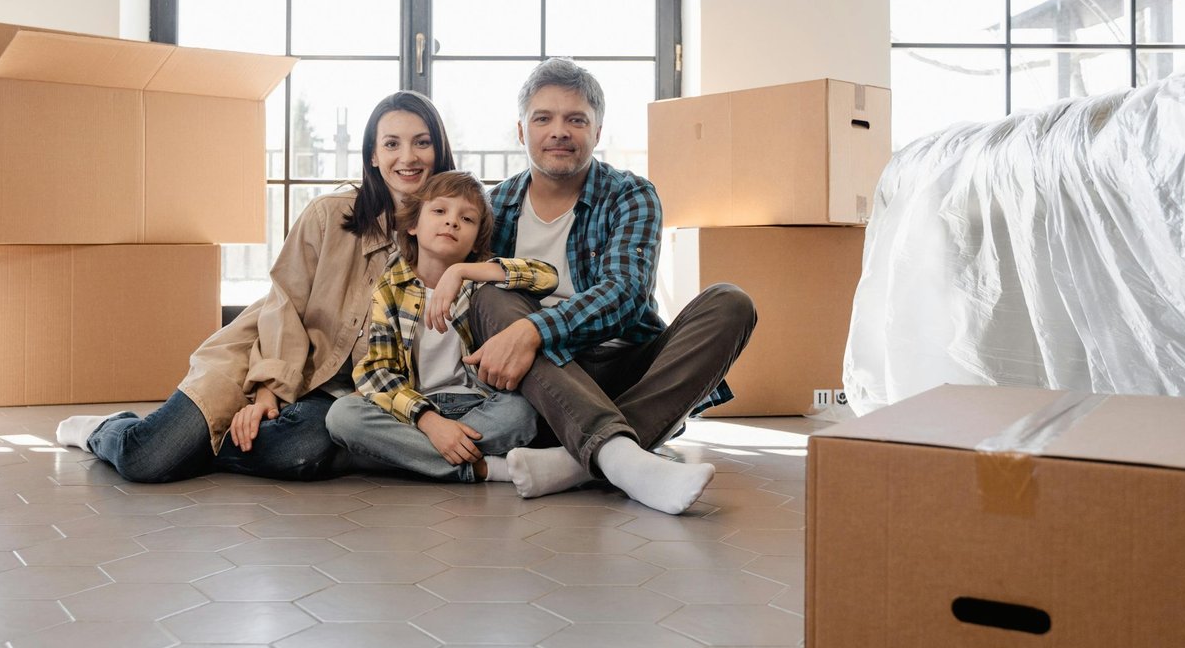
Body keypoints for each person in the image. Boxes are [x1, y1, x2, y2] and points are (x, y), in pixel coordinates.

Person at [54, 91, 457, 483]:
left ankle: (201, 447)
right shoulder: (328, 215)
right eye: (392, 143)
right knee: (146, 459)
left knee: (299, 452)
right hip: (260, 356)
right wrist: (267, 393)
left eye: (421, 143)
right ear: (373, 155)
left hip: (335, 396)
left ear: (438, 150)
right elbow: (285, 305)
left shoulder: (454, 230)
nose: (408, 157)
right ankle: (106, 429)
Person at [464, 58, 758, 514]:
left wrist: (534, 330)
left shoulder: (630, 194)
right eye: (543, 118)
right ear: (522, 132)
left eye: (576, 119)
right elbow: (478, 311)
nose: (559, 131)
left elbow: (625, 294)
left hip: (624, 364)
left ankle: (578, 460)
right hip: (543, 380)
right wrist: (524, 334)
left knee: (731, 303)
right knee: (489, 293)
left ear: (597, 133)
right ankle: (623, 457)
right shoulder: (492, 206)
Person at [326, 170, 557, 484]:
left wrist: (462, 271)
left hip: (479, 405)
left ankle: (406, 457)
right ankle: (483, 468)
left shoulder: (479, 283)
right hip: (415, 409)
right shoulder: (390, 287)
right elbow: (375, 369)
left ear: (477, 241)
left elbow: (547, 276)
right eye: (439, 211)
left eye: (467, 219)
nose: (452, 222)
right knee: (343, 416)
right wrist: (430, 421)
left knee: (521, 412)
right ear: (412, 225)